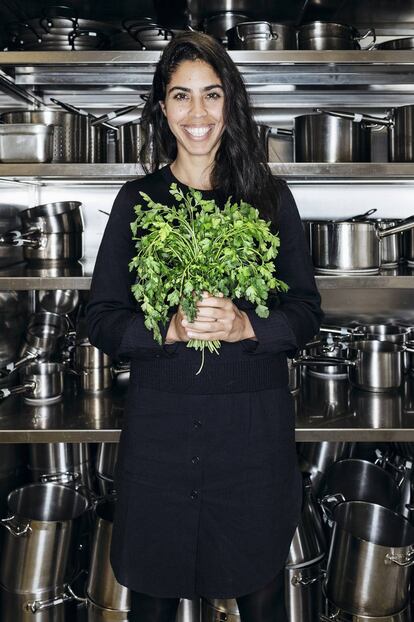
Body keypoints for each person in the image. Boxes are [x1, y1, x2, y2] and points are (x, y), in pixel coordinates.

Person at [86, 31, 323, 622]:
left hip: (251, 437)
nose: (198, 114)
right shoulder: (138, 201)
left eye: (212, 96)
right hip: (161, 436)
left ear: (230, 105)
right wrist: (161, 330)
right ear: (162, 109)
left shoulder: (268, 198)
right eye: (181, 96)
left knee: (260, 594)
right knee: (153, 595)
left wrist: (248, 325)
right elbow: (102, 317)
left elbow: (306, 311)